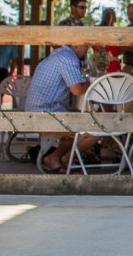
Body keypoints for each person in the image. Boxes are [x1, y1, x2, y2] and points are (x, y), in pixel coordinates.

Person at [25, 43, 99, 174]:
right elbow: (77, 90)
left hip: (36, 112)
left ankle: (59, 158)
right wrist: (93, 82)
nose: (86, 50)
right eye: (85, 47)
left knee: (81, 120)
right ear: (76, 45)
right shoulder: (68, 58)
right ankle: (59, 158)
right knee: (96, 131)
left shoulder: (57, 55)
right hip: (46, 113)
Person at [95, 7, 123, 74]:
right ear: (115, 19)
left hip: (100, 66)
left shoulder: (96, 32)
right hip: (111, 66)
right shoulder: (115, 34)